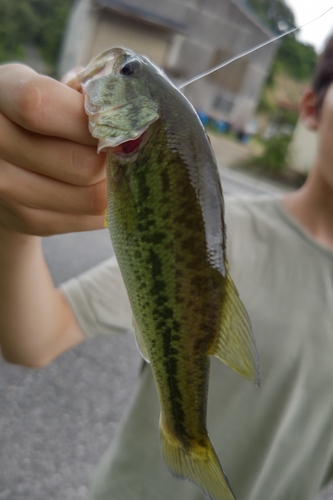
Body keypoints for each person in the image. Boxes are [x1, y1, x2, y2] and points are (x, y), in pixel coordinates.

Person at [1, 35, 333, 500]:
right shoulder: (220, 233)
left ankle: (187, 437)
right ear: (312, 106)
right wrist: (12, 221)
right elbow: (35, 337)